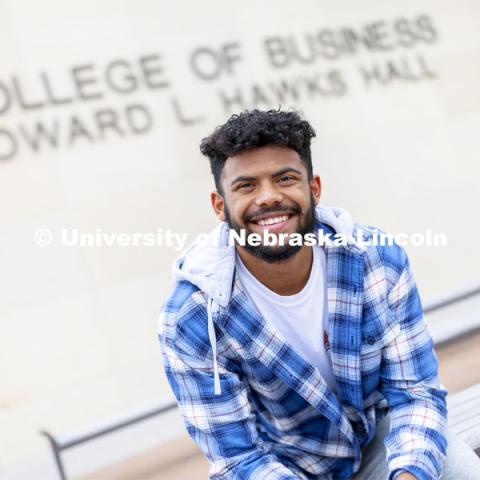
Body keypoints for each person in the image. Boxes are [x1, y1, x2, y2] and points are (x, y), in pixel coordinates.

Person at [158, 109, 478, 479]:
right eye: (246, 186)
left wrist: (408, 475)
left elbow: (416, 393)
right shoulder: (193, 318)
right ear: (220, 205)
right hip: (281, 469)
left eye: (285, 178)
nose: (268, 197)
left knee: (459, 470)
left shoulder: (375, 260)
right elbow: (238, 459)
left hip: (374, 442)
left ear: (314, 189)